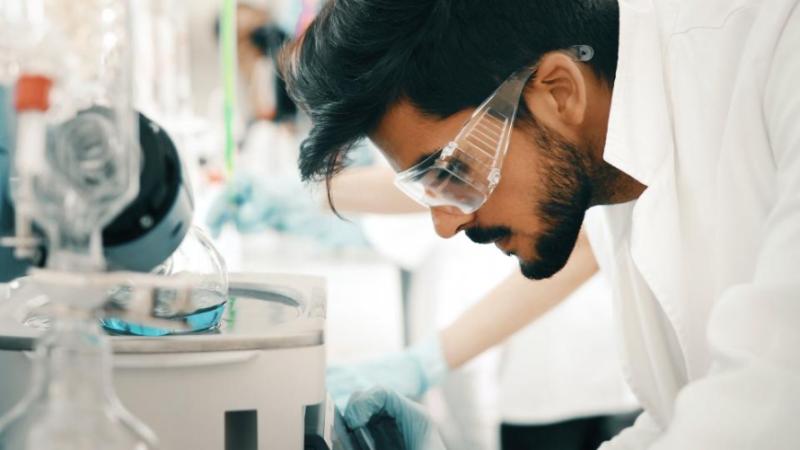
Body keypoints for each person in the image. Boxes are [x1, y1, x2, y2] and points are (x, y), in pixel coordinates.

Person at [278, 0, 800, 449]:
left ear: (558, 92)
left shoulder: (779, 52)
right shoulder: (608, 156)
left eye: (449, 171)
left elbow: (764, 413)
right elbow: (672, 424)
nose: (443, 225)